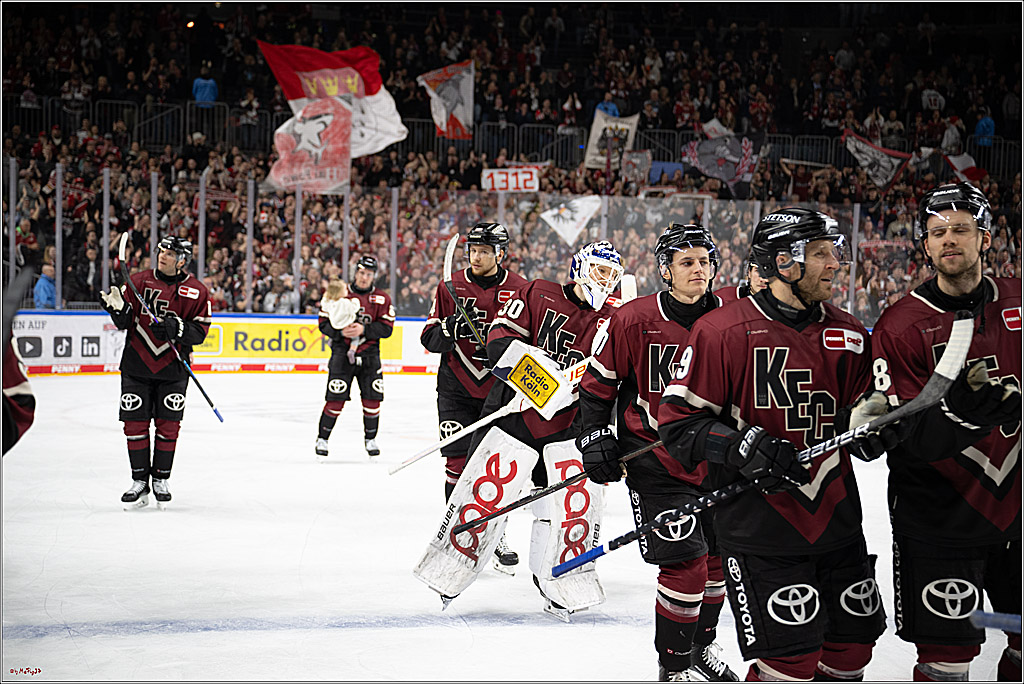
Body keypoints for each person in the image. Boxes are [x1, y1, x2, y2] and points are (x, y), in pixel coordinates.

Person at [658, 208, 900, 681]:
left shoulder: (850, 333)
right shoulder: (722, 331)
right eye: (821, 254)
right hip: (760, 528)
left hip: (838, 520)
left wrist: (878, 428)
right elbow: (679, 423)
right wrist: (743, 444)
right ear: (784, 262)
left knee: (852, 649)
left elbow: (862, 423)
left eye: (835, 252)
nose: (835, 264)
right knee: (790, 660)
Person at [870, 183, 1021, 682]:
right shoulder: (899, 325)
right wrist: (965, 416)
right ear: (926, 244)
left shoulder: (1019, 299)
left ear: (985, 237)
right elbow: (905, 435)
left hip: (1017, 513)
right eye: (938, 232)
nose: (949, 240)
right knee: (946, 661)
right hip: (937, 517)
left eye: (961, 229)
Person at [578, 225, 739, 681]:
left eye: (705, 261)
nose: (698, 270)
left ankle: (701, 648)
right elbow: (597, 388)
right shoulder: (632, 319)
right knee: (685, 567)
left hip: (720, 460)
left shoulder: (732, 318)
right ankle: (673, 668)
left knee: (716, 566)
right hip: (656, 462)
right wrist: (595, 439)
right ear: (665, 269)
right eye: (686, 262)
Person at [419, 223, 529, 572]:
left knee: (496, 468)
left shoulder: (521, 290)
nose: (476, 256)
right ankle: (457, 533)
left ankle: (495, 536)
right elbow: (428, 337)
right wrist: (448, 330)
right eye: (473, 250)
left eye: (484, 250)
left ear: (500, 253)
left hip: (499, 391)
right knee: (457, 464)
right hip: (455, 389)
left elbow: (531, 342)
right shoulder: (450, 287)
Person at [99, 236, 211, 510]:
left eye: (171, 253)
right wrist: (117, 310)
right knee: (134, 425)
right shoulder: (138, 281)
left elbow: (200, 331)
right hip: (136, 365)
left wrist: (177, 328)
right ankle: (139, 482)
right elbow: (125, 321)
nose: (163, 255)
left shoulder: (197, 291)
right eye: (162, 250)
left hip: (173, 369)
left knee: (168, 426)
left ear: (182, 260)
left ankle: (161, 478)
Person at [315, 255, 395, 459]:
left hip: (370, 356)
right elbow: (323, 323)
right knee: (335, 399)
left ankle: (370, 439)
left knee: (372, 400)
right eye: (361, 273)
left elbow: (387, 329)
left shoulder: (382, 298)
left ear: (374, 276)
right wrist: (340, 332)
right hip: (342, 355)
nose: (364, 277)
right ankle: (322, 439)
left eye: (369, 274)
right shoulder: (339, 293)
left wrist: (364, 329)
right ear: (355, 272)